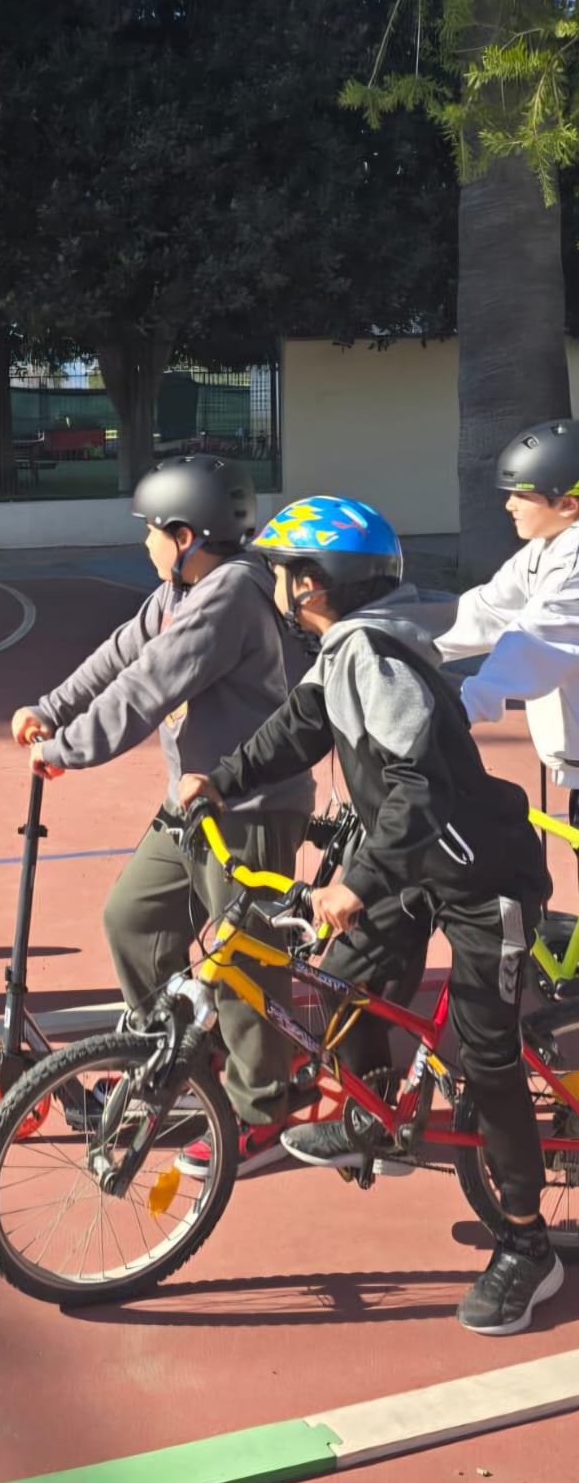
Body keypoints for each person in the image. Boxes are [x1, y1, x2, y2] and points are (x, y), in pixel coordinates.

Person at [178, 495, 561, 1336]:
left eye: (284, 573)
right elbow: (297, 729)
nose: (279, 586)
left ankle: (527, 1244)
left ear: (312, 585)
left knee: (488, 1058)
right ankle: (374, 1117)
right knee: (342, 982)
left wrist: (359, 880)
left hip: (482, 878)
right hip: (416, 862)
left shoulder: (377, 658)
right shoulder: (346, 648)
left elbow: (421, 784)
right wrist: (220, 780)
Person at [11, 455, 315, 1174]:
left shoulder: (229, 594)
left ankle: (261, 1110)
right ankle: (176, 1061)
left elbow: (148, 686)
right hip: (195, 804)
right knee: (135, 918)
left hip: (252, 808)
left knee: (243, 959)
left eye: (151, 530)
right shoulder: (183, 588)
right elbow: (122, 651)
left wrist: (68, 749)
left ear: (185, 536)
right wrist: (50, 708)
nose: (144, 542)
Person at [435, 420, 579, 830]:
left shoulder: (575, 561)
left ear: (567, 504)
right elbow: (486, 610)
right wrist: (403, 642)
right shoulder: (547, 547)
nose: (508, 505)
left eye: (521, 494)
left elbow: (533, 642)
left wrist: (460, 709)